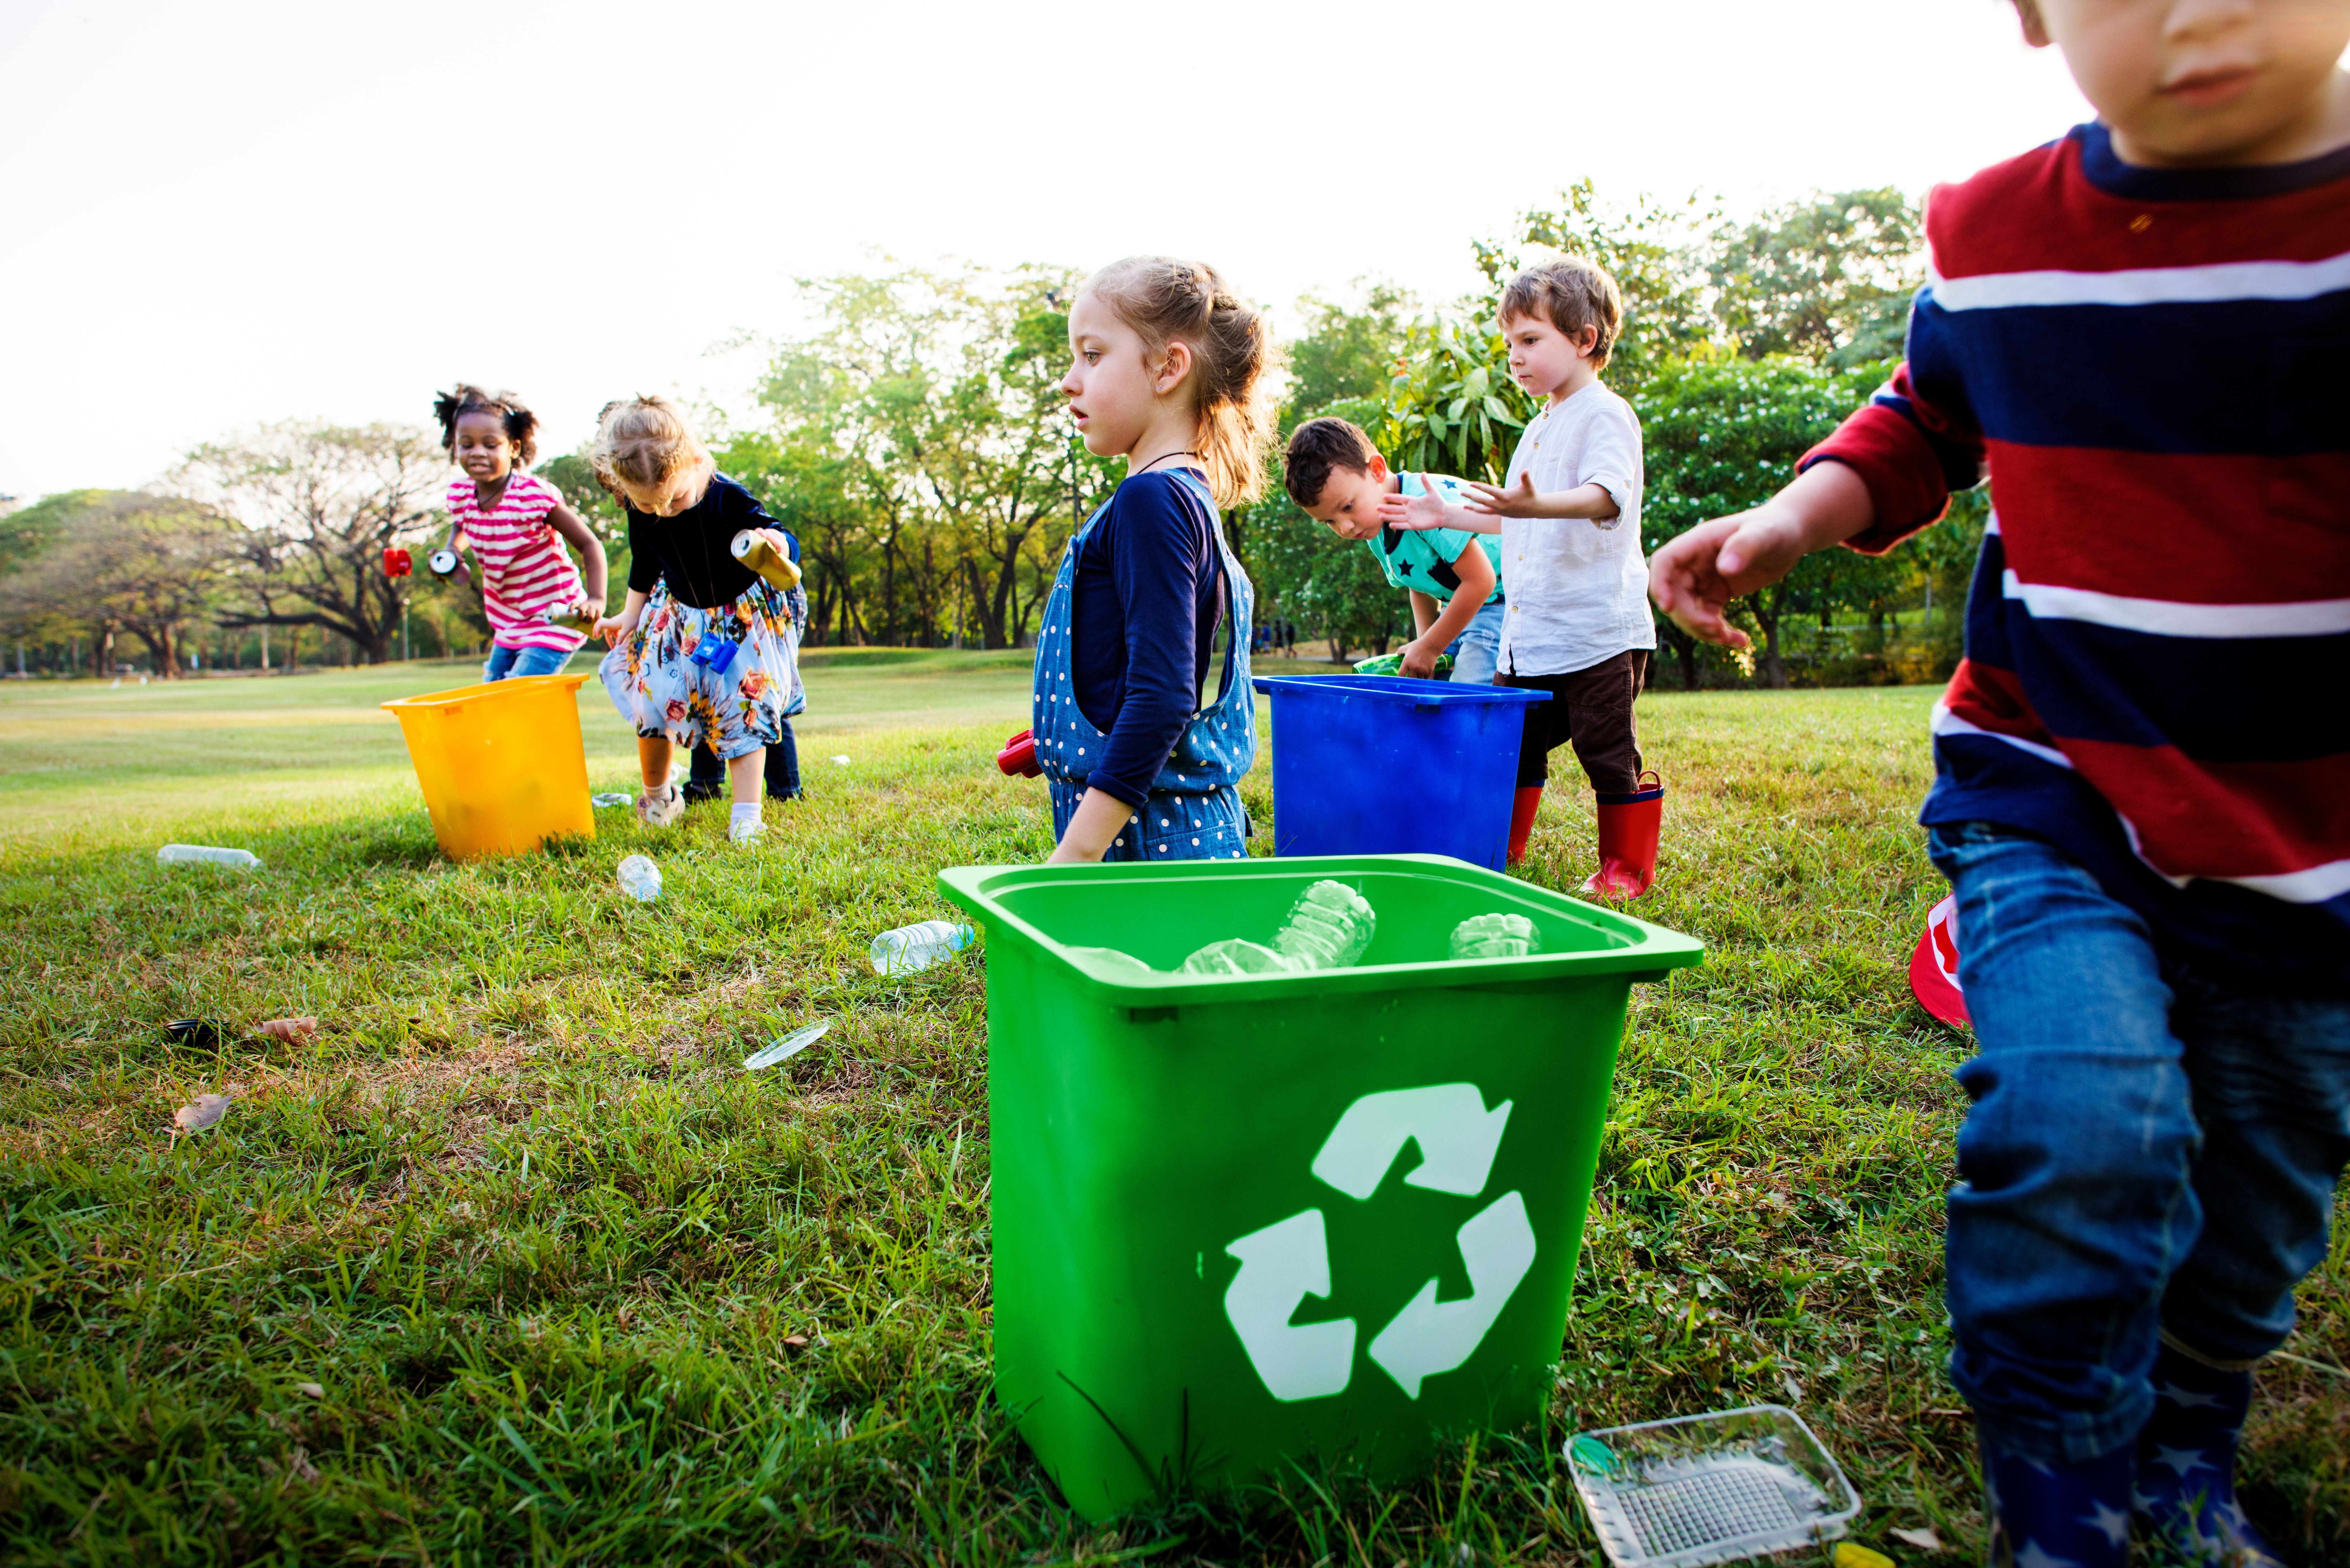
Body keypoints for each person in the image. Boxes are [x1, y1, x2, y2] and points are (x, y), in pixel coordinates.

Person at [1648, 2, 2350, 1560]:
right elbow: (1924, 418)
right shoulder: (1996, 232)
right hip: (2052, 781)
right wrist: (1790, 518)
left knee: (2258, 1195)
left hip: (2309, 830)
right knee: (2080, 1115)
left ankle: (2184, 1446)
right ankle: (2058, 1490)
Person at [1388, 257, 1660, 893]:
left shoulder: (1603, 414)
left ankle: (1625, 868)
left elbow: (1605, 495)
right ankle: (1500, 847)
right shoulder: (1537, 428)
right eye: (1509, 343)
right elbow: (1516, 519)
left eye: (1530, 340)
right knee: (1509, 745)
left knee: (1606, 752)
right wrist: (1445, 514)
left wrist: (1536, 503)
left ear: (1585, 340)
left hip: (1596, 630)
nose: (1514, 356)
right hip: (1530, 632)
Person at [1035, 255, 1275, 863]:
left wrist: (1072, 859)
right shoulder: (1177, 498)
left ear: (1169, 367)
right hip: (1165, 840)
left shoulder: (1152, 500)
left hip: (1155, 854)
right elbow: (1140, 678)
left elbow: (1164, 697)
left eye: (1092, 355)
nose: (1069, 380)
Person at [588, 397, 807, 845]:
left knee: (744, 708)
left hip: (742, 614)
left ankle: (747, 816)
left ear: (695, 459)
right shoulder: (640, 503)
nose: (664, 511)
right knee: (651, 697)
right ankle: (660, 797)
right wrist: (630, 614)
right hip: (682, 616)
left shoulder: (724, 495)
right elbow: (645, 560)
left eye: (674, 499)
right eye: (649, 506)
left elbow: (781, 535)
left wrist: (778, 544)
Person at [1283, 416, 1505, 684]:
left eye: (1348, 507)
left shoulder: (1424, 503)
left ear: (1376, 470)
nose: (1345, 528)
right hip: (1466, 605)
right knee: (1425, 685)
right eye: (1329, 521)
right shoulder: (1374, 526)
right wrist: (1426, 643)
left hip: (1504, 599)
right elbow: (1420, 583)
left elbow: (1482, 581)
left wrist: (1430, 648)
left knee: (1466, 693)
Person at [432, 385, 606, 681]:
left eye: (490, 445)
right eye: (466, 444)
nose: (477, 453)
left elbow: (590, 544)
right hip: (509, 623)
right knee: (491, 698)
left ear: (513, 448)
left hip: (556, 617)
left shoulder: (532, 496)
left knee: (515, 697)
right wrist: (452, 551)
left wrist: (596, 599)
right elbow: (464, 523)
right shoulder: (461, 495)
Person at [684, 517, 804, 808]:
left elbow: (787, 543)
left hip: (769, 600)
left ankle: (786, 790)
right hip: (716, 612)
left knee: (766, 695)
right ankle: (705, 785)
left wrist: (782, 544)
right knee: (709, 693)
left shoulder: (723, 500)